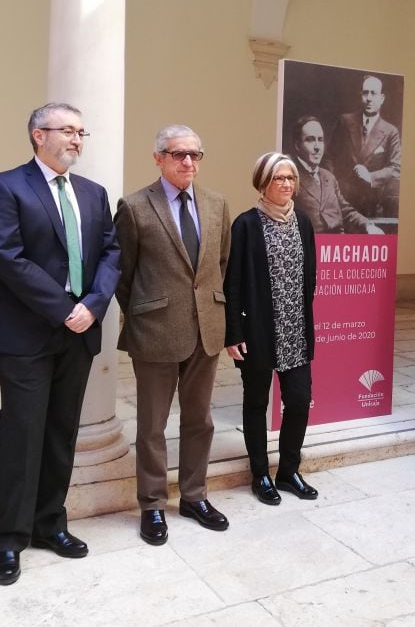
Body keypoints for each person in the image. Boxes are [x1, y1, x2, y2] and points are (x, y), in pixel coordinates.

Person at [0, 102, 121, 585]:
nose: (77, 140)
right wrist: (64, 307)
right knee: (23, 434)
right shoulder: (6, 185)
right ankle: (11, 538)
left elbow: (111, 253)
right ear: (39, 135)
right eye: (68, 131)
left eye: (82, 132)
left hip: (80, 332)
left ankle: (49, 524)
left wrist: (95, 304)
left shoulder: (93, 193)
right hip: (26, 334)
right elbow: (8, 257)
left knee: (61, 431)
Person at [115, 124, 232, 546]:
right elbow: (123, 275)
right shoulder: (134, 207)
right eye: (178, 154)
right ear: (158, 158)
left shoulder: (217, 205)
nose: (187, 162)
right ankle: (151, 505)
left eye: (195, 155)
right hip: (156, 331)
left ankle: (194, 496)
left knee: (200, 420)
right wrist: (143, 313)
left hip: (207, 329)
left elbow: (221, 263)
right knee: (152, 425)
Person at [225, 153, 319, 505]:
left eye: (290, 178)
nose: (286, 184)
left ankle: (289, 471)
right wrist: (233, 333)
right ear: (262, 182)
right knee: (256, 402)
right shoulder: (246, 225)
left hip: (295, 330)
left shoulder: (304, 222)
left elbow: (310, 276)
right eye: (278, 178)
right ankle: (260, 473)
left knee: (298, 400)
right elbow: (233, 283)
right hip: (259, 332)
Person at [292, 115, 382, 235]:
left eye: (320, 140)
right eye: (310, 140)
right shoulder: (289, 177)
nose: (317, 147)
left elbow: (345, 210)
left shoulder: (328, 177)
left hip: (337, 245)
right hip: (311, 246)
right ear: (298, 145)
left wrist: (367, 225)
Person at [331, 74, 401, 219]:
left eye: (373, 93)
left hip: (373, 204)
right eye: (365, 92)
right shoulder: (345, 122)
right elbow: (329, 157)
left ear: (381, 99)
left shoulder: (390, 131)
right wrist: (333, 185)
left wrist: (370, 177)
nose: (369, 98)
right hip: (343, 201)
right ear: (360, 95)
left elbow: (395, 168)